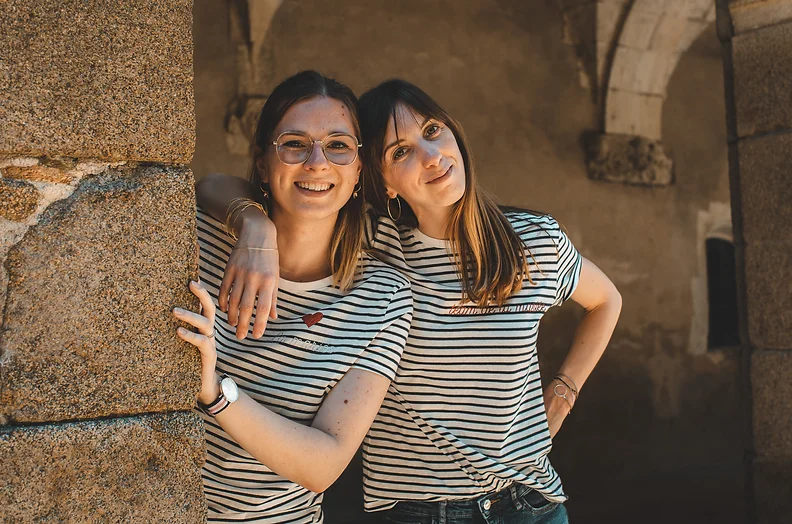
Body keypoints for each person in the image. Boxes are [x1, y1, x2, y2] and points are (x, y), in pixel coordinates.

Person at [198, 78, 622, 524]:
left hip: (530, 502)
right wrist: (254, 226)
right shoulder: (379, 246)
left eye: (434, 131)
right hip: (419, 509)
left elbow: (607, 300)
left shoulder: (533, 241)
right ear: (381, 181)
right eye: (400, 152)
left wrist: (564, 391)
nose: (432, 155)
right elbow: (219, 185)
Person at [173, 71, 413, 523]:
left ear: (359, 169)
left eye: (338, 145)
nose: (317, 162)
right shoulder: (201, 238)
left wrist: (217, 394)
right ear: (263, 164)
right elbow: (206, 183)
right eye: (294, 143)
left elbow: (323, 465)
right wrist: (254, 226)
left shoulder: (382, 296)